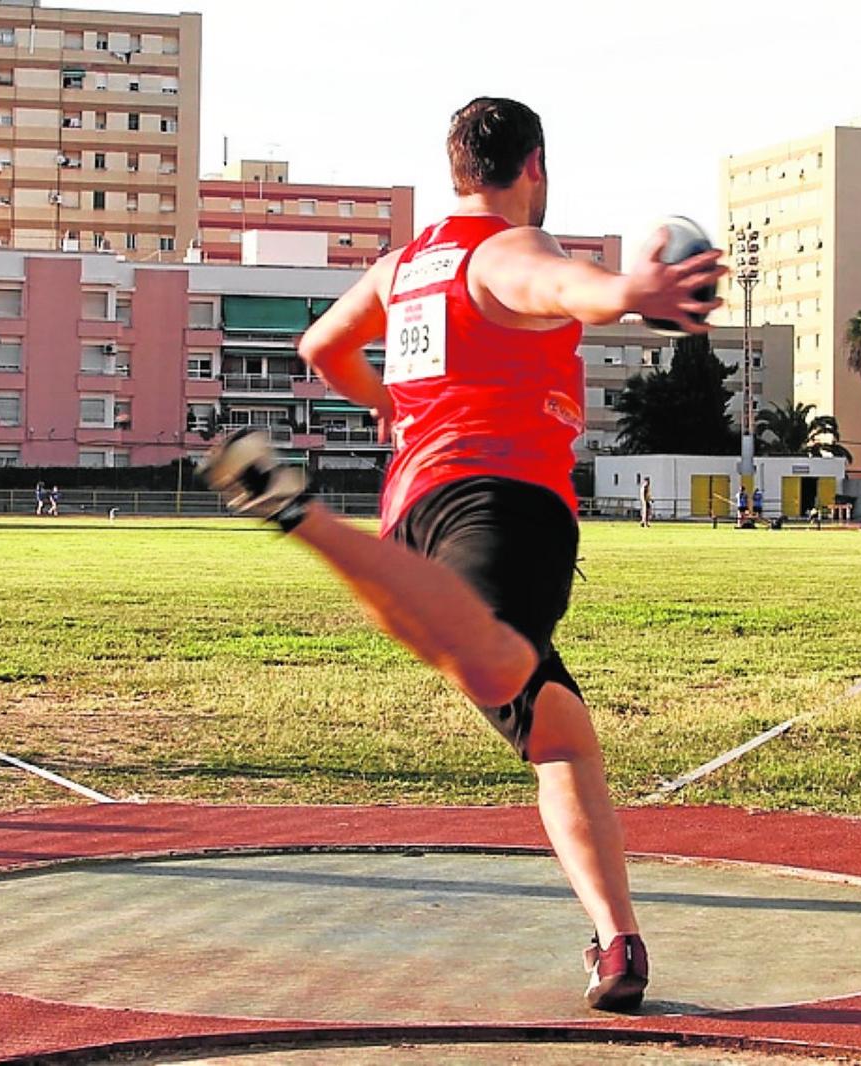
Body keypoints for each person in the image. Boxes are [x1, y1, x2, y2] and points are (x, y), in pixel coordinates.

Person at [201, 96, 724, 1012]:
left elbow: (321, 346)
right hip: (504, 503)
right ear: (535, 168)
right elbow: (565, 290)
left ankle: (618, 942)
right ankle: (307, 522)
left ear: (455, 172)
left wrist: (388, 403)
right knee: (492, 656)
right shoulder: (514, 249)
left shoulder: (407, 264)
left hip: (417, 508)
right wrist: (630, 296)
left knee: (556, 731)